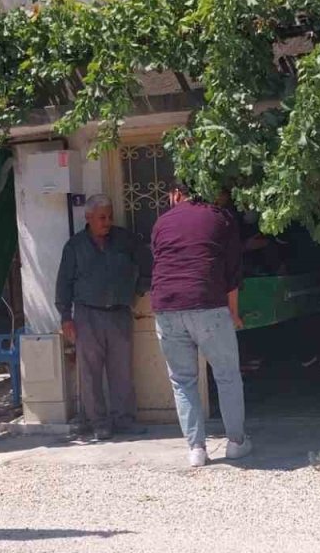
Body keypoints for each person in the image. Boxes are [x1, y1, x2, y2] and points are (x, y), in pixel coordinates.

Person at [150, 181, 251, 467]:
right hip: (208, 304)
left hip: (167, 306)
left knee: (183, 381)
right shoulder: (221, 218)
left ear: (177, 193)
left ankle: (196, 450)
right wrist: (234, 312)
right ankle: (236, 443)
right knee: (227, 375)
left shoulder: (161, 223)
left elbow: (159, 263)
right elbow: (232, 271)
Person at [55, 194, 152, 441]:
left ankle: (124, 420)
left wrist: (137, 292)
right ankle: (99, 422)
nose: (107, 221)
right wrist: (66, 317)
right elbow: (64, 283)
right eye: (101, 217)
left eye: (109, 216)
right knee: (90, 372)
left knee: (122, 371)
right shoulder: (74, 246)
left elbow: (147, 265)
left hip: (119, 312)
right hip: (87, 315)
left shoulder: (125, 240)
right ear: (88, 218)